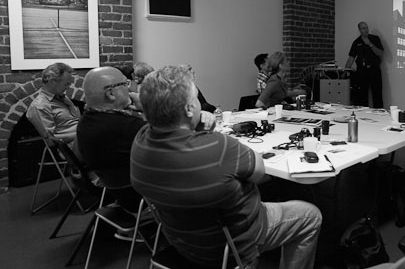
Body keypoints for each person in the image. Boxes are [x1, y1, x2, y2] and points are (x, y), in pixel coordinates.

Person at [130, 65, 322, 269]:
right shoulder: (219, 147)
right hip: (230, 245)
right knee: (310, 215)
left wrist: (198, 129)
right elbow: (259, 172)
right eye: (195, 99)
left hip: (179, 239)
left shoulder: (140, 141)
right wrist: (209, 135)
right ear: (188, 109)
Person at [76, 66, 147, 213]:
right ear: (110, 93)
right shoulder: (128, 128)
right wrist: (147, 108)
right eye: (125, 84)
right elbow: (177, 143)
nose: (130, 89)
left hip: (121, 195)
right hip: (143, 199)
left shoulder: (86, 121)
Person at [26, 62, 80, 145]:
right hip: (73, 147)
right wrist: (83, 133)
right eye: (66, 84)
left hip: (84, 140)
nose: (69, 87)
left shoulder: (62, 97)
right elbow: (52, 141)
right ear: (51, 81)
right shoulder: (40, 106)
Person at [345, 21, 384, 108]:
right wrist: (345, 71)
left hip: (374, 70)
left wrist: (370, 44)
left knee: (377, 95)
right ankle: (363, 117)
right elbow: (351, 58)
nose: (366, 30)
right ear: (359, 30)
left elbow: (381, 53)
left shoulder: (375, 39)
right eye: (363, 28)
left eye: (366, 28)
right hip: (362, 71)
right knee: (361, 96)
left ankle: (380, 116)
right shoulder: (356, 42)